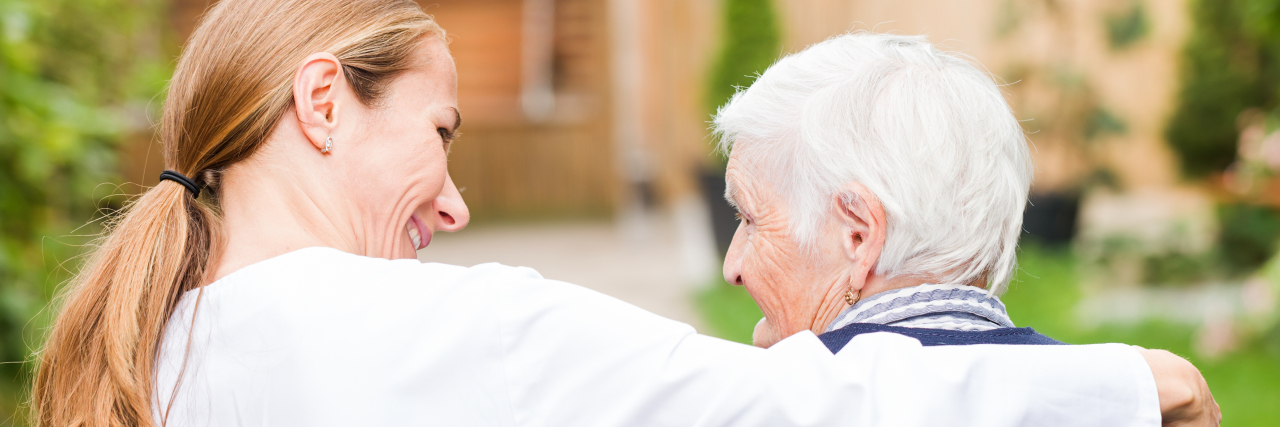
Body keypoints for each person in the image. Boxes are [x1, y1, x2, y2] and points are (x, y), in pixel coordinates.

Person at [30, 1, 1213, 426]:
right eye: (440, 133)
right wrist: (1123, 381)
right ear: (324, 101)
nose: (453, 199)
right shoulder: (433, 334)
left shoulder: (150, 356)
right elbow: (786, 413)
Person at [715, 32, 1219, 424]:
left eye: (750, 220)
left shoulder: (763, 406)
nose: (731, 267)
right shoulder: (1123, 402)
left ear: (859, 236)